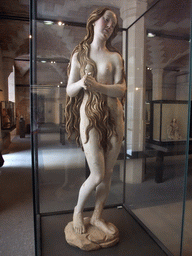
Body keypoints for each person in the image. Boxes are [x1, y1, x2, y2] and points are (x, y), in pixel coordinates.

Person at [65, 7, 126, 236]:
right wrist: (81, 83)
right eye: (107, 19)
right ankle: (78, 211)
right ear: (94, 21)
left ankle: (98, 215)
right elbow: (70, 90)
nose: (110, 25)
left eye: (114, 23)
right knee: (98, 174)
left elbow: (121, 89)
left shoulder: (115, 56)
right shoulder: (79, 54)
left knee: (108, 173)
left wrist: (98, 87)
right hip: (90, 118)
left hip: (114, 118)